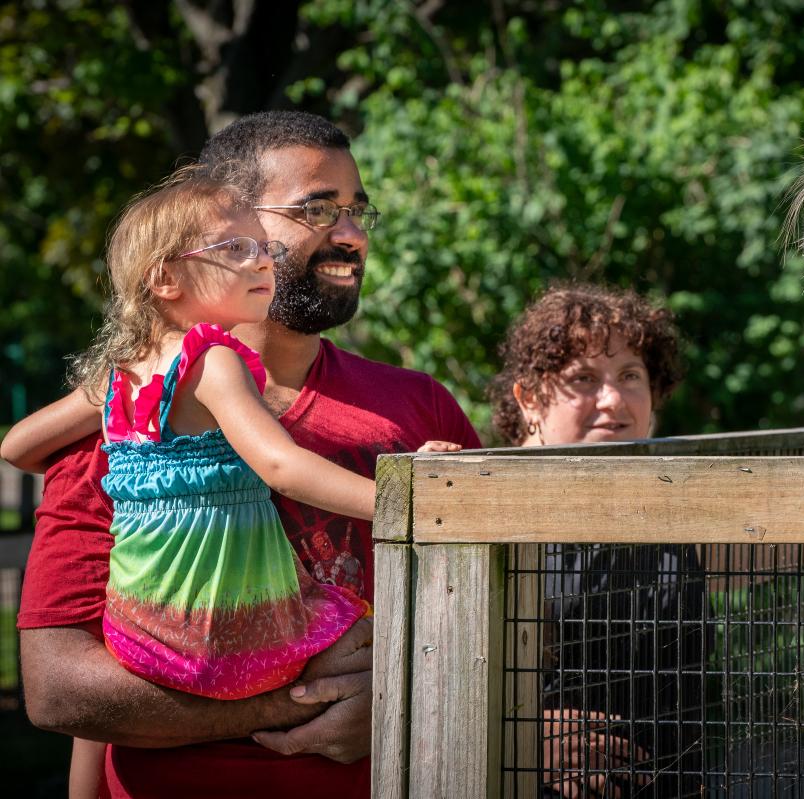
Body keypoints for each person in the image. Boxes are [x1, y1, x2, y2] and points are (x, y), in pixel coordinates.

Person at [14, 111, 481, 798]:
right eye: (317, 211)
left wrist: (397, 701)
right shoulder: (117, 429)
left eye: (358, 211)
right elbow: (60, 692)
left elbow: (503, 617)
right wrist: (298, 703)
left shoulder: (418, 407)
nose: (351, 235)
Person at [489, 283, 707, 797]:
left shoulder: (677, 501)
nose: (613, 399)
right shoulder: (489, 512)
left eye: (631, 376)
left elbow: (783, 548)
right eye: (583, 378)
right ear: (529, 399)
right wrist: (519, 740)